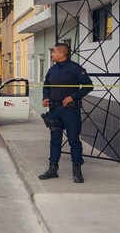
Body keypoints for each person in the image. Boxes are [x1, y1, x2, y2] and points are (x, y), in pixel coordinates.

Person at [40, 43, 93, 183]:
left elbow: (88, 86)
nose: (52, 54)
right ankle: (53, 169)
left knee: (74, 141)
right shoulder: (52, 70)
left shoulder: (75, 69)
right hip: (54, 111)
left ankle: (77, 171)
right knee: (55, 140)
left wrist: (73, 97)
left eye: (54, 52)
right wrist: (45, 97)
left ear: (62, 54)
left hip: (70, 111)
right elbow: (46, 85)